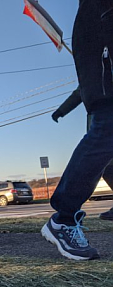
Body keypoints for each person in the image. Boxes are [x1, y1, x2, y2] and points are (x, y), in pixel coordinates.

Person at [42, 0, 113, 260]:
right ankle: (64, 218)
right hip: (101, 35)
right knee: (107, 129)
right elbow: (79, 92)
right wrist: (61, 110)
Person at [51, 87, 113, 221]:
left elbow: (81, 91)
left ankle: (65, 211)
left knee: (100, 162)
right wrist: (61, 110)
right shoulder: (97, 75)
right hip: (103, 126)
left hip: (104, 129)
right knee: (106, 167)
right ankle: (66, 210)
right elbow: (81, 91)